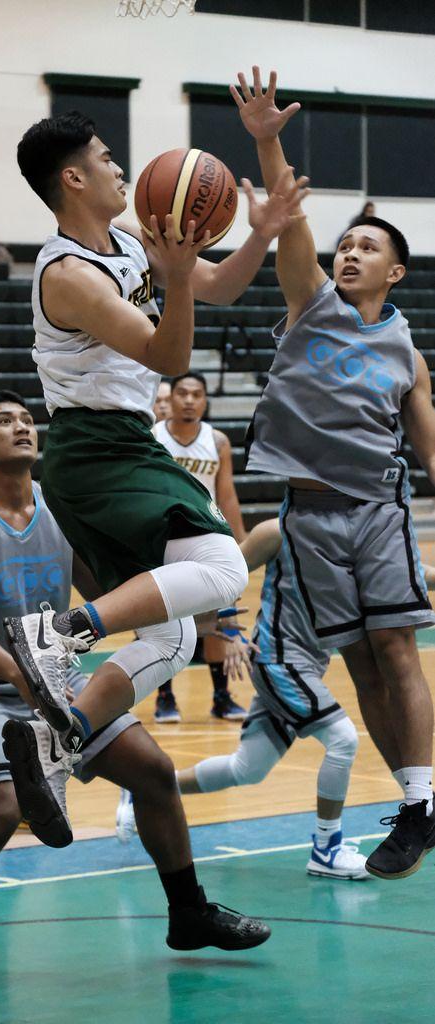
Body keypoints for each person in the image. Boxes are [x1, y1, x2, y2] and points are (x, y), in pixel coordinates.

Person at [0, 391, 270, 1002]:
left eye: (25, 419)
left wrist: (183, 611)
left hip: (53, 675)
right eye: (3, 421)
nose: (20, 427)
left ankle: (188, 911)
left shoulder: (59, 507)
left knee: (154, 771)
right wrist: (23, 676)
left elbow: (102, 590)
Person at [0, 110, 307, 851]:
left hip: (117, 446)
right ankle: (61, 634)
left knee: (170, 640)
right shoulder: (68, 273)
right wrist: (173, 283)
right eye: (105, 159)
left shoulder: (133, 237)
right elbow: (168, 359)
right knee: (224, 564)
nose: (118, 168)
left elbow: (221, 289)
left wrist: (260, 232)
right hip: (95, 447)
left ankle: (57, 736)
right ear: (73, 178)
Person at [231, 66, 435, 879]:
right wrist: (265, 138)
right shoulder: (306, 300)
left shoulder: (406, 352)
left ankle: (418, 806)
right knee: (357, 664)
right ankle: (418, 800)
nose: (349, 253)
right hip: (308, 517)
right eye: (346, 244)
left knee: (395, 651)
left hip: (378, 510)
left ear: (395, 273)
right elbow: (288, 221)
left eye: (367, 248)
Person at [179, 519, 371, 880]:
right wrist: (229, 630)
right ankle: (326, 849)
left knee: (247, 769)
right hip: (278, 660)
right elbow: (220, 576)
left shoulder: (353, 534)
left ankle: (148, 787)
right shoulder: (277, 532)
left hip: (309, 665)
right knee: (343, 740)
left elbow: (409, 573)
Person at [152, 370, 248, 724]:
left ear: (206, 400)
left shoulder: (218, 441)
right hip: (163, 536)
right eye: (183, 393)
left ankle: (221, 697)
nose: (189, 400)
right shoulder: (152, 437)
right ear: (171, 398)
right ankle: (165, 697)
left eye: (197, 394)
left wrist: (240, 543)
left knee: (217, 619)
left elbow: (227, 494)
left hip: (209, 536)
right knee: (164, 620)